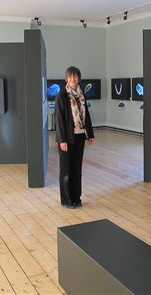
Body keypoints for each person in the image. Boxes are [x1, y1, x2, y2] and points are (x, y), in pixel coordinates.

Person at [55, 66, 95, 208]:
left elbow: (86, 115)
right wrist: (62, 140)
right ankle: (66, 200)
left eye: (75, 76)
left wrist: (90, 134)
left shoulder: (81, 94)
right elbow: (59, 120)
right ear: (67, 79)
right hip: (66, 139)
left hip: (79, 137)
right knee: (66, 170)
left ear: (78, 78)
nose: (73, 79)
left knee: (77, 169)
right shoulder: (62, 96)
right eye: (70, 77)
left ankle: (76, 198)